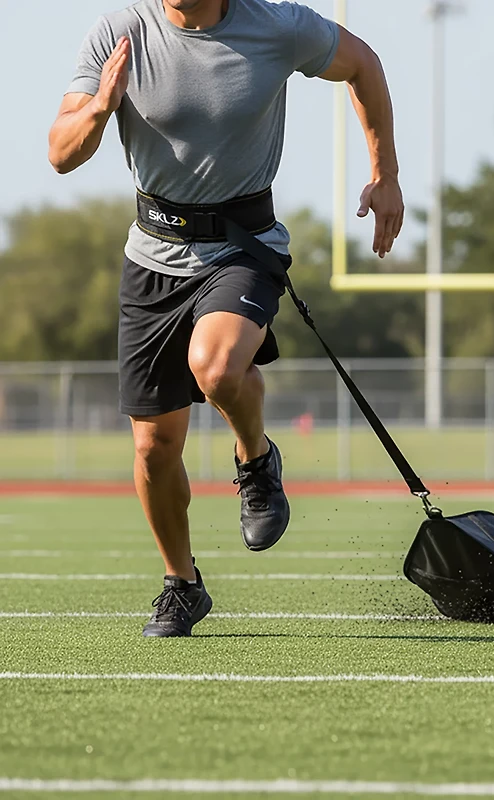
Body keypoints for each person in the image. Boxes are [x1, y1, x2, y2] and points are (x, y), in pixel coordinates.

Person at [48, 0, 404, 638]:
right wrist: (99, 112)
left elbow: (364, 65)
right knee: (155, 448)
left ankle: (255, 459)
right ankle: (182, 584)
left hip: (244, 245)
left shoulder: (279, 26)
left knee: (214, 367)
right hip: (151, 257)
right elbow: (59, 153)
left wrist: (386, 174)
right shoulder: (119, 31)